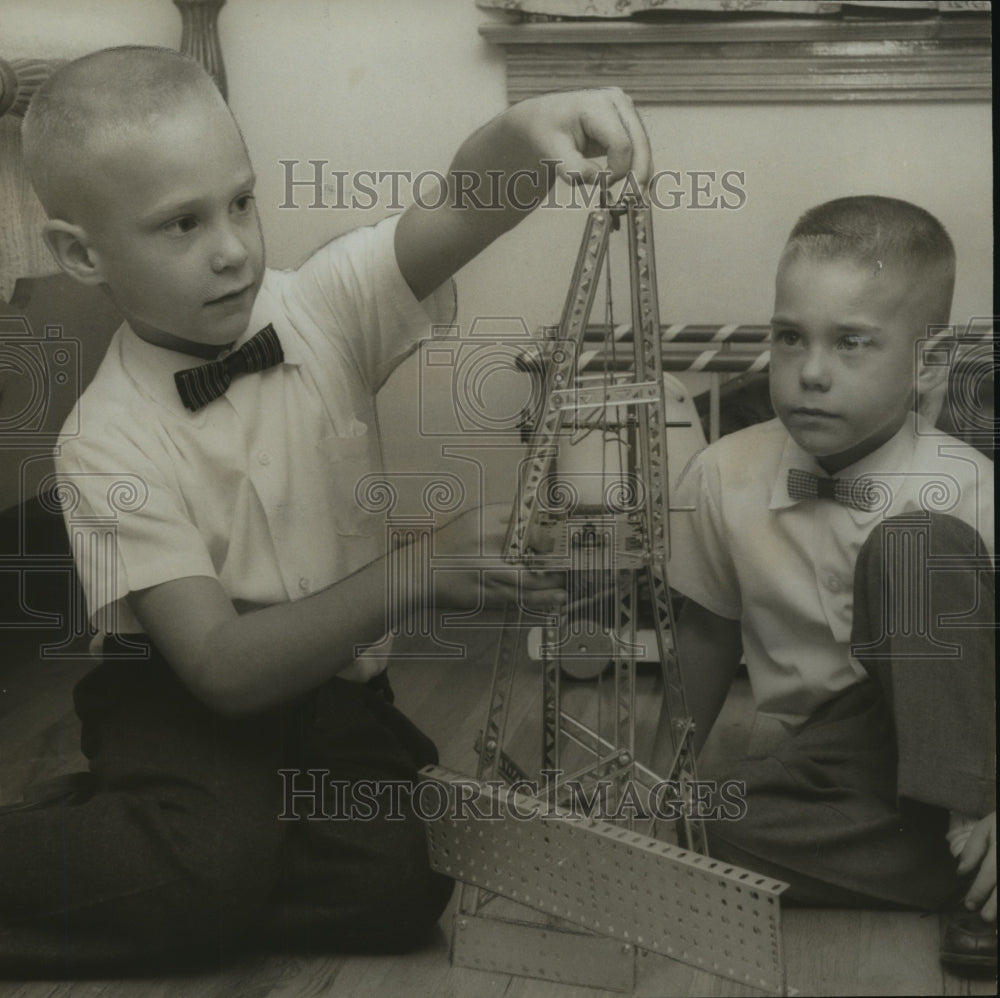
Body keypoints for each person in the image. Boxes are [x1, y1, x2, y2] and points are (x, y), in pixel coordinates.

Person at [1, 45, 651, 975]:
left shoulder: (323, 305)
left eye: (240, 202)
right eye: (180, 225)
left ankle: (161, 855)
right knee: (209, 869)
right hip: (176, 703)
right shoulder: (102, 442)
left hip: (332, 692)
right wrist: (418, 571)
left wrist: (528, 130)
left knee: (401, 882)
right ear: (78, 253)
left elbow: (465, 203)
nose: (230, 246)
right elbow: (220, 670)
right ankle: (167, 856)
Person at [656, 195, 996, 974]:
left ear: (928, 362)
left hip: (973, 744)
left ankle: (974, 831)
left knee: (916, 545)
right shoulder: (721, 474)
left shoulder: (968, 486)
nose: (810, 372)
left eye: (851, 343)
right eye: (788, 338)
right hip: (832, 760)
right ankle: (962, 873)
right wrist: (657, 782)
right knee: (700, 824)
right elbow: (707, 630)